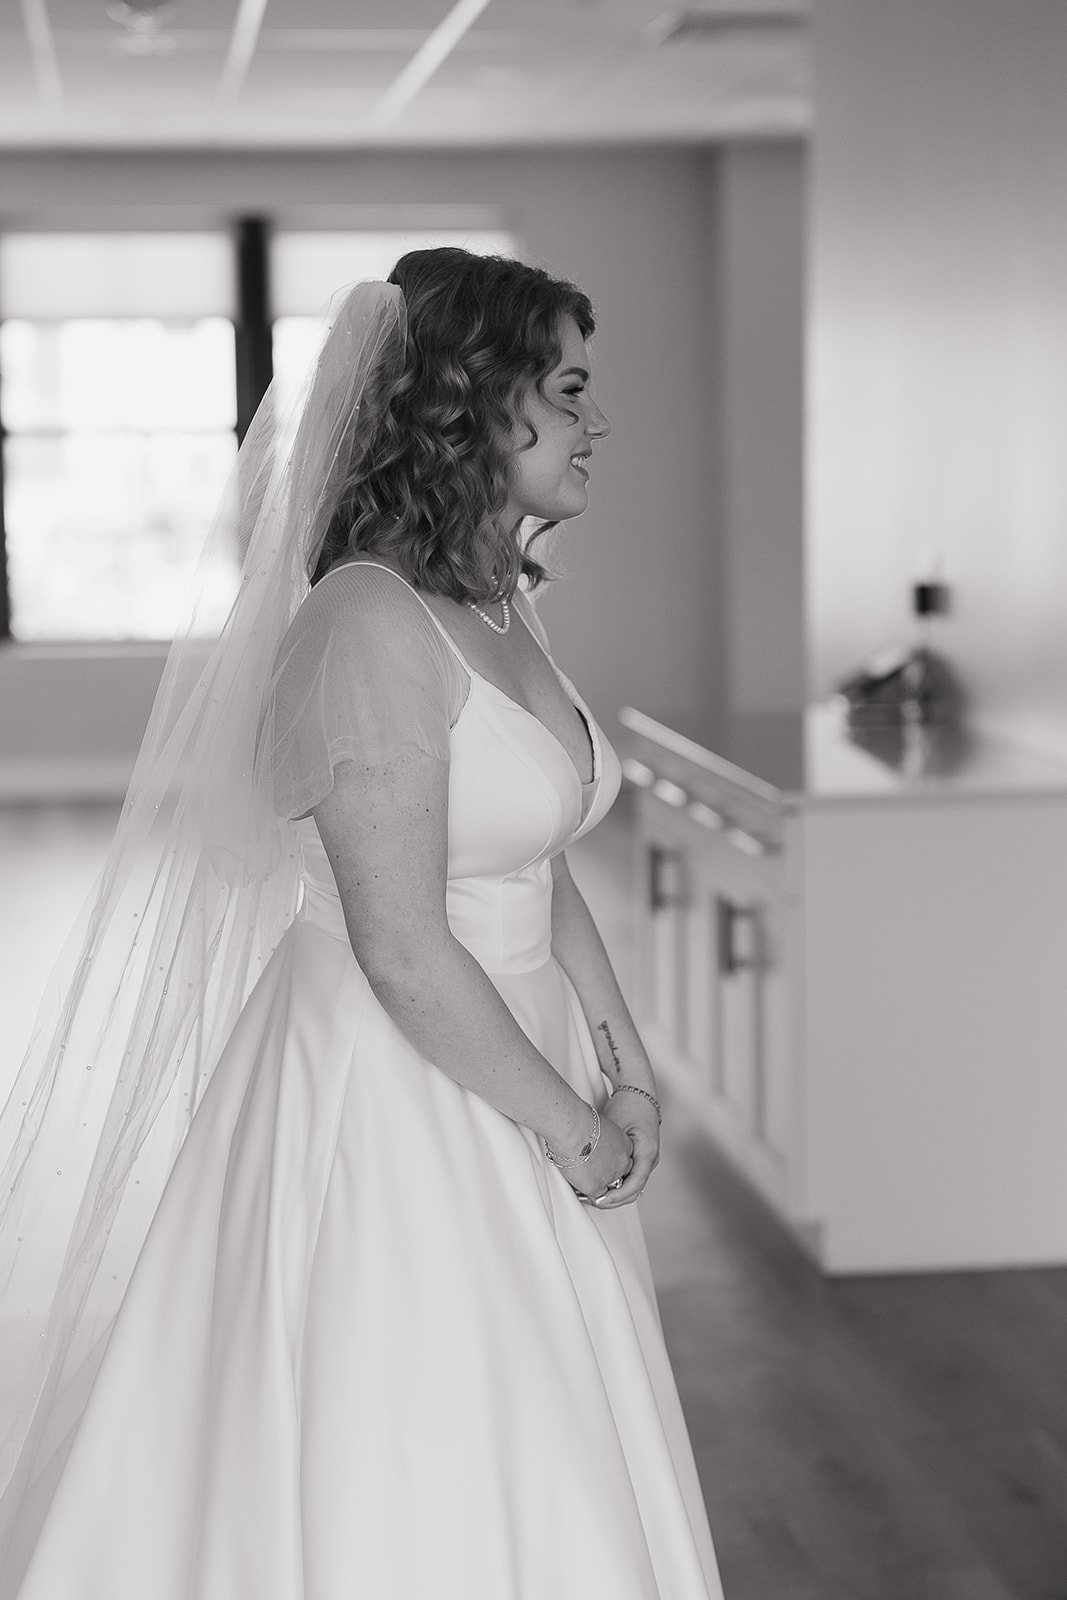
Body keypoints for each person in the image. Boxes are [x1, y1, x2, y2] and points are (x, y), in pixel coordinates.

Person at [0, 248, 724, 1598]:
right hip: (403, 1093)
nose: (594, 423)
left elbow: (535, 849)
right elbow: (401, 945)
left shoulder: (495, 603)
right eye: (568, 391)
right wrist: (570, 1127)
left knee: (553, 1422)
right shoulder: (367, 626)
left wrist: (625, 1060)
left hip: (516, 1057)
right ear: (472, 405)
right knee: (419, 1445)